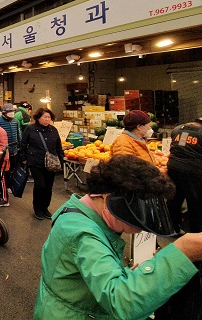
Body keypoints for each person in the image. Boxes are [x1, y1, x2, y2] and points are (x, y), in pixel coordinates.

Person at [33, 155, 202, 320]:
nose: (140, 230)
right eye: (137, 218)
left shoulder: (80, 210)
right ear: (109, 200)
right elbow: (121, 301)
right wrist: (182, 252)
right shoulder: (83, 235)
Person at [161, 116, 202, 320]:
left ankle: (170, 226)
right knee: (196, 203)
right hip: (194, 170)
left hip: (174, 166)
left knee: (175, 200)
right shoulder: (201, 132)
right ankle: (195, 234)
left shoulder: (178, 128)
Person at [20, 107, 63, 220]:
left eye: (49, 117)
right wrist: (23, 158)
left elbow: (59, 146)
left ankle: (45, 208)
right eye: (45, 117)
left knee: (48, 186)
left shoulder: (53, 130)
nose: (47, 119)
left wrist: (61, 160)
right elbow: (23, 145)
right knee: (40, 185)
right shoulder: (30, 129)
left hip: (51, 163)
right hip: (36, 162)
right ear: (38, 117)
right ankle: (37, 208)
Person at [0, 104, 21, 197]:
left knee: (12, 169)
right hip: (4, 151)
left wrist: (20, 145)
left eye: (13, 111)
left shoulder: (16, 121)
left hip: (14, 150)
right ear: (4, 113)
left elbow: (18, 133)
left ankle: (9, 185)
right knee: (4, 170)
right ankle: (1, 188)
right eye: (9, 111)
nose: (12, 113)